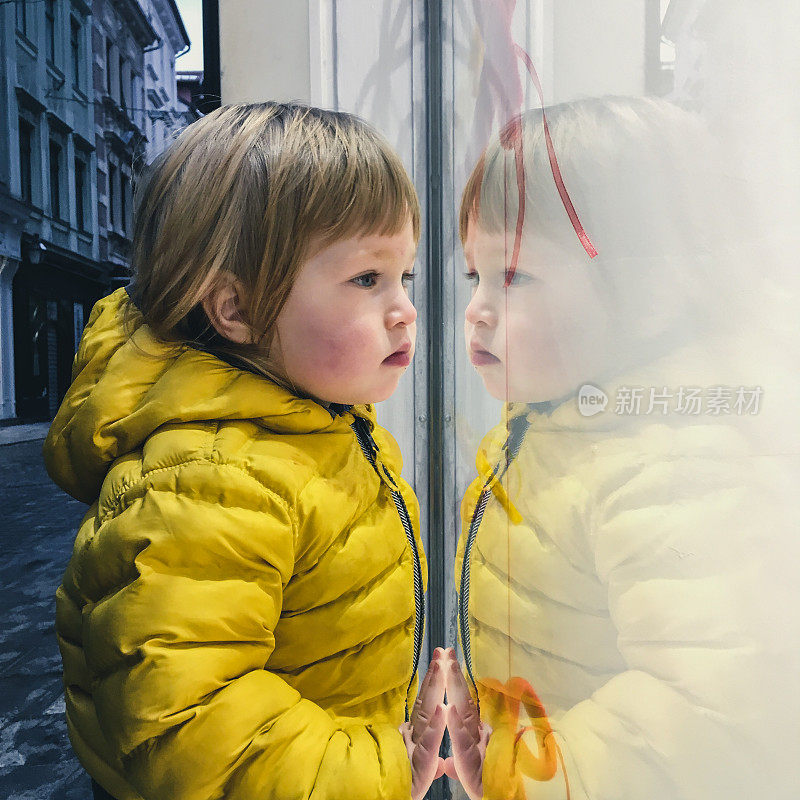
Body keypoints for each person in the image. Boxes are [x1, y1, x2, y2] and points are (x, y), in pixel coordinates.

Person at [43, 102, 450, 800]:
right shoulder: (211, 480)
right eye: (366, 279)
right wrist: (395, 768)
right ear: (237, 309)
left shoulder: (320, 425)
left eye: (404, 277)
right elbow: (192, 729)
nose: (404, 308)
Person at [443, 96, 799, 799]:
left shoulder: (678, 471)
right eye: (473, 275)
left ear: (653, 292)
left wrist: (520, 772)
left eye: (514, 276)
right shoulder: (557, 420)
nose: (477, 308)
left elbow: (712, 716)